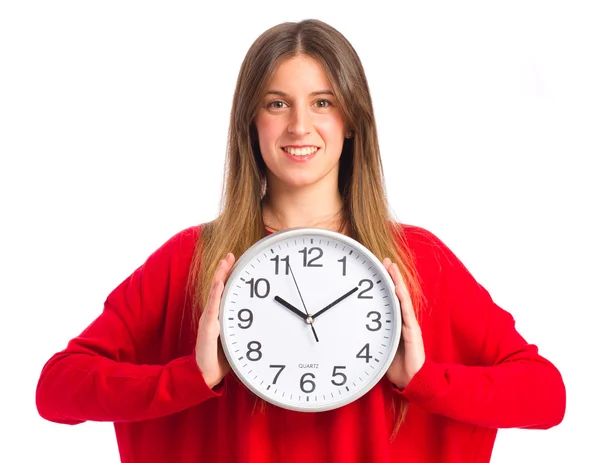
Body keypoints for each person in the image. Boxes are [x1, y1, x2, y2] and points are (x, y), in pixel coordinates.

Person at [36, 19, 566, 463]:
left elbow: (546, 395)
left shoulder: (417, 260)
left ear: (352, 119)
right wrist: (189, 378)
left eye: (322, 102)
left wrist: (425, 380)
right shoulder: (193, 260)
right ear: (251, 120)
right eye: (276, 104)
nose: (298, 126)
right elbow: (57, 389)